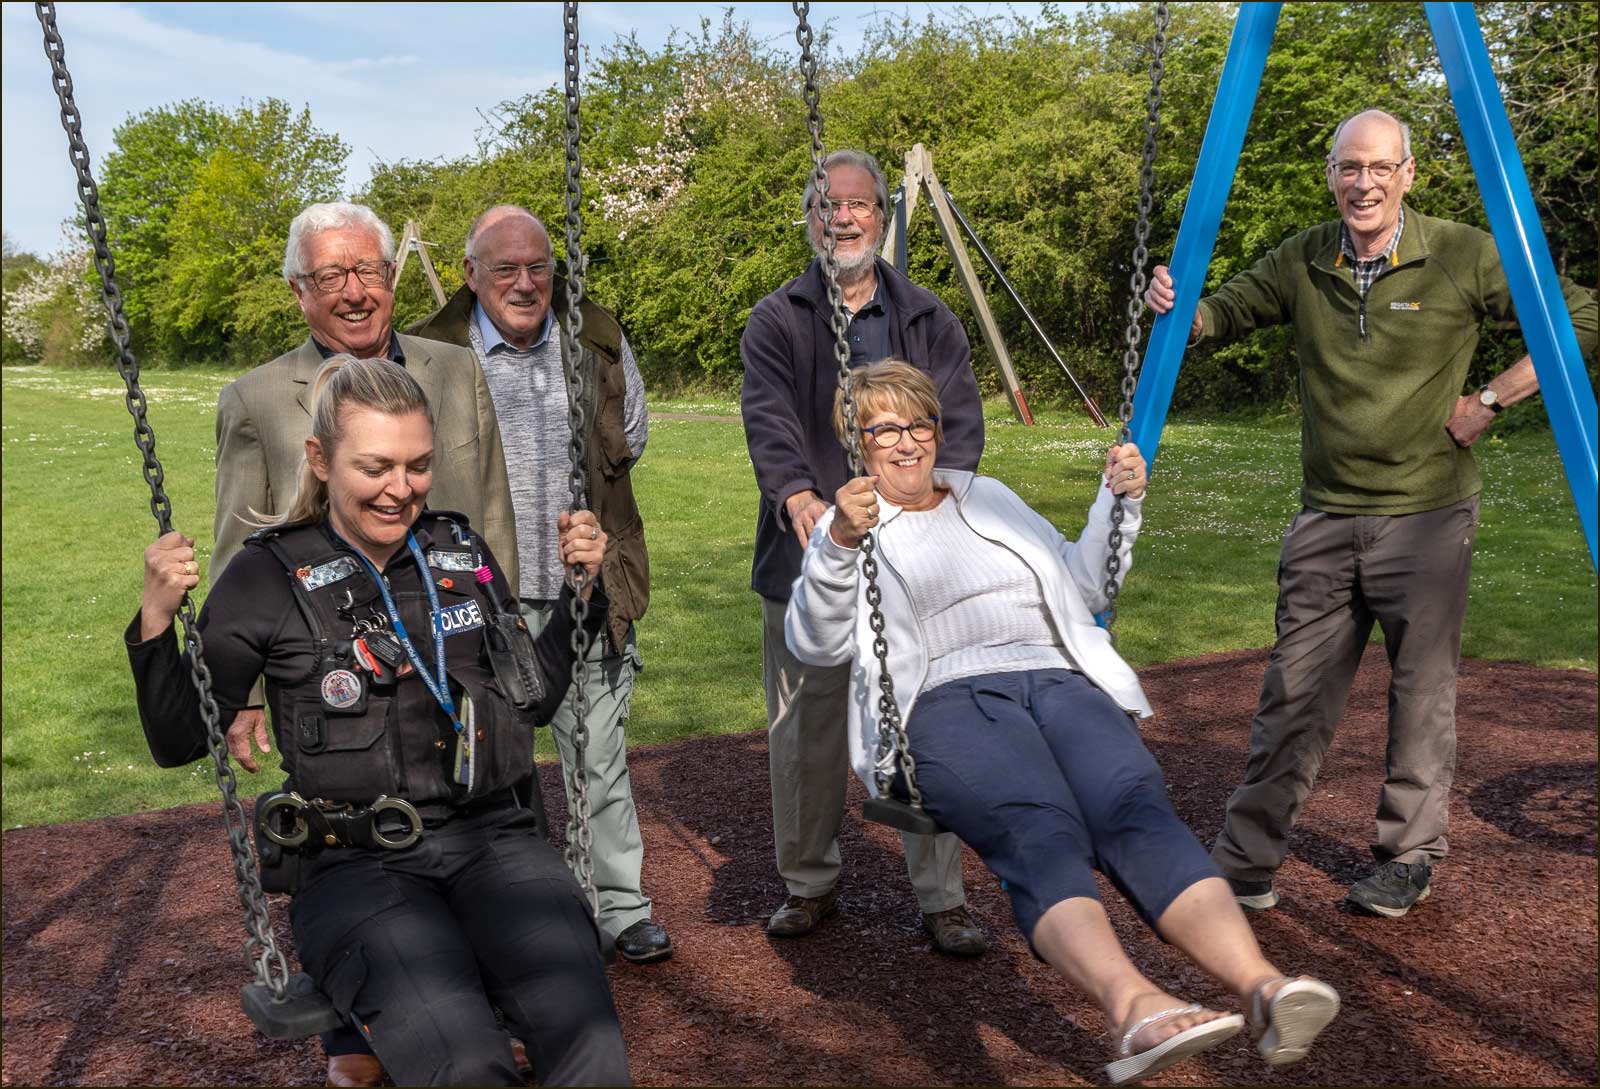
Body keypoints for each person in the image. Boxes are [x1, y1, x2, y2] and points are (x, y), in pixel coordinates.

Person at [785, 360, 1341, 1085]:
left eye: (918, 423)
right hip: (945, 698)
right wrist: (837, 544)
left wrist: (1118, 502)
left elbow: (1084, 584)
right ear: (856, 442)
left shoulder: (987, 495)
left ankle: (1264, 988)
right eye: (883, 429)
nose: (906, 442)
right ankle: (1133, 1005)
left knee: (1135, 809)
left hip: (1058, 678)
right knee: (1038, 826)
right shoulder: (849, 526)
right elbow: (815, 641)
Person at [126, 356, 630, 1088]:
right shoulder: (266, 577)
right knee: (465, 1062)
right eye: (376, 467)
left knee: (589, 1038)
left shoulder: (458, 551)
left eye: (418, 466)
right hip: (358, 865)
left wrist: (581, 595)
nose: (402, 489)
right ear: (320, 459)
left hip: (493, 841)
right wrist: (155, 616)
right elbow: (178, 738)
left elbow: (535, 700)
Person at [1144, 108, 1599, 918]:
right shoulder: (1306, 257)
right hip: (1327, 514)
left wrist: (1493, 398)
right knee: (1291, 693)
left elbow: (1581, 317)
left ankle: (1407, 855)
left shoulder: (1459, 252)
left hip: (1428, 514)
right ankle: (1246, 860)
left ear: (1408, 174)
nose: (1365, 183)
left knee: (1421, 694)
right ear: (1330, 175)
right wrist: (1182, 306)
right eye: (1350, 167)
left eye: (1381, 167)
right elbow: (1227, 310)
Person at [212, 201, 520, 1084]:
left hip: (457, 646)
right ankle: (356, 1040)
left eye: (368, 271)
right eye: (330, 276)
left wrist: (507, 638)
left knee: (487, 823)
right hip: (336, 660)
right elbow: (238, 544)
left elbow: (489, 506)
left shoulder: (454, 368)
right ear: (299, 290)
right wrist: (241, 687)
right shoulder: (258, 397)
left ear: (391, 275)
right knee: (358, 839)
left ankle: (486, 1010)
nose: (354, 291)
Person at [740, 149, 989, 954]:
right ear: (808, 219)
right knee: (804, 732)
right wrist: (799, 495)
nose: (841, 217)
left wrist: (922, 511)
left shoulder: (928, 319)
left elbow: (960, 429)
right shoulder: (778, 319)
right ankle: (808, 882)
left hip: (912, 561)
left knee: (922, 724)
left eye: (856, 204)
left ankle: (942, 897)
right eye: (826, 204)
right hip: (807, 557)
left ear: (882, 215)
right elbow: (769, 418)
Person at [406, 205, 667, 964]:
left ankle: (620, 908)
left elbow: (632, 437)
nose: (525, 284)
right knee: (492, 765)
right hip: (477, 595)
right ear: (469, 275)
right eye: (505, 269)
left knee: (599, 755)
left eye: (538, 267)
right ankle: (521, 917)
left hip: (587, 585)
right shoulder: (428, 352)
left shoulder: (597, 337)